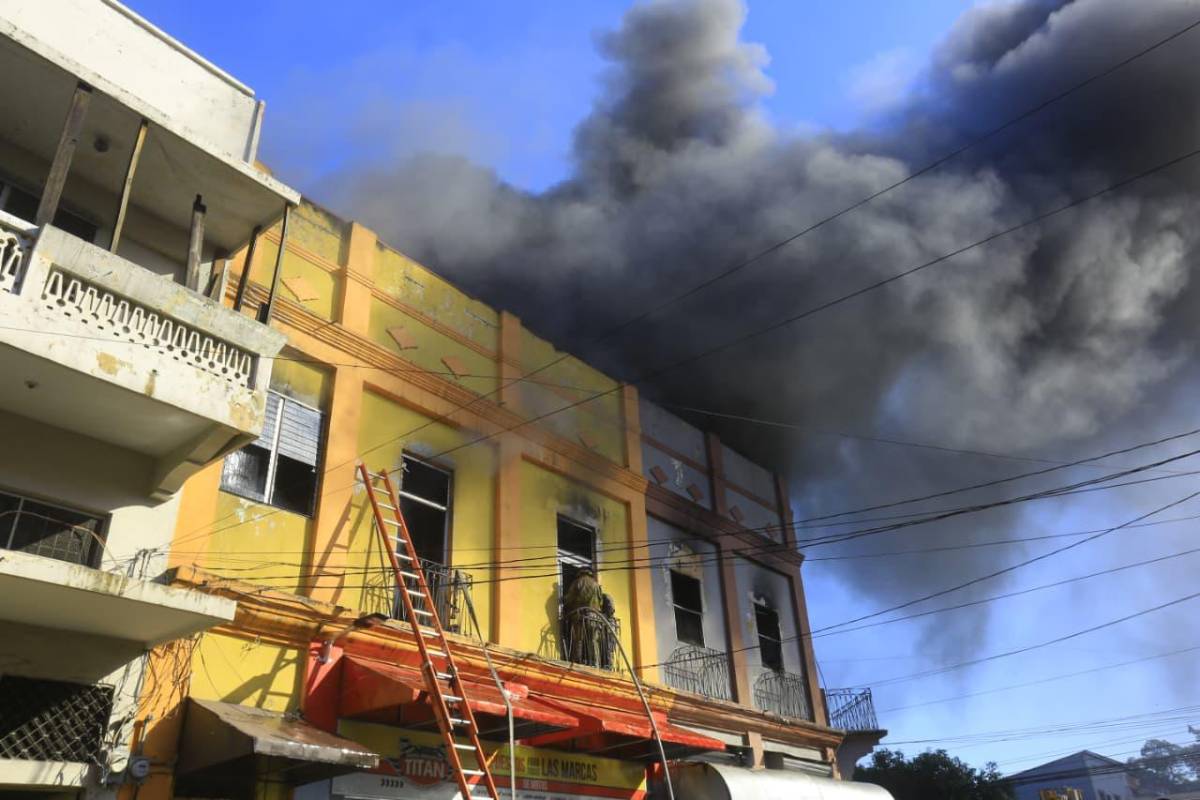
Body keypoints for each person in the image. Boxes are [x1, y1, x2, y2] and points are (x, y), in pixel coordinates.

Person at [562, 567, 603, 665]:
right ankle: (595, 662)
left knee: (578, 640)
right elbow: (600, 602)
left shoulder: (576, 583)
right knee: (593, 640)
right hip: (594, 617)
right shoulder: (596, 585)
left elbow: (569, 600)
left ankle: (577, 661)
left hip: (580, 617)